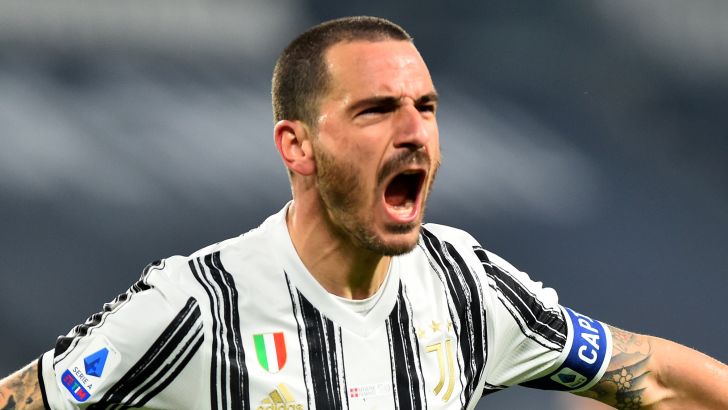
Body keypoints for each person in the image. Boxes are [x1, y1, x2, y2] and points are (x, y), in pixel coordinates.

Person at [1, 16, 727, 410]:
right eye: (377, 110)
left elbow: (656, 378)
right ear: (298, 147)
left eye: (426, 108)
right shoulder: (195, 305)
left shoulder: (465, 287)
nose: (414, 132)